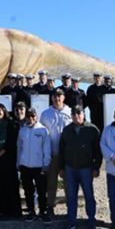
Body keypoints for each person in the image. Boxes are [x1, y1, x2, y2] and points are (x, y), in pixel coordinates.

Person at [58, 105, 101, 229]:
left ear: (83, 114)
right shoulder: (66, 130)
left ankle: (91, 221)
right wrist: (61, 167)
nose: (77, 116)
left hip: (86, 169)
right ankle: (71, 221)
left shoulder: (92, 129)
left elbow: (98, 152)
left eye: (79, 113)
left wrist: (96, 167)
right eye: (74, 114)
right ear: (71, 116)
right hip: (70, 168)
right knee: (71, 196)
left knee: (89, 196)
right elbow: (61, 150)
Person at [39, 89, 71, 221]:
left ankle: (71, 208)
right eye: (55, 96)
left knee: (69, 183)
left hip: (67, 155)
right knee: (51, 183)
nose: (57, 98)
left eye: (60, 96)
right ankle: (50, 207)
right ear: (51, 98)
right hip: (52, 153)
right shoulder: (45, 113)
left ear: (63, 98)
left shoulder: (70, 112)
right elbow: (41, 134)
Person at [0, 103, 22, 220]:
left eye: (0, 110)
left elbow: (11, 143)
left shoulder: (11, 124)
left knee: (11, 184)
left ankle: (14, 212)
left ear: (4, 111)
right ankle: (0, 211)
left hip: (8, 158)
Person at [17, 107, 50, 223]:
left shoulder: (43, 130)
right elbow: (19, 148)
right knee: (28, 190)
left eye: (33, 116)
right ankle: (31, 211)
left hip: (39, 165)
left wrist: (46, 164)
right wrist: (18, 162)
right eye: (28, 116)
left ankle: (43, 211)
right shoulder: (22, 130)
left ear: (36, 116)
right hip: (25, 165)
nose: (30, 118)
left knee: (41, 190)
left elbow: (47, 149)